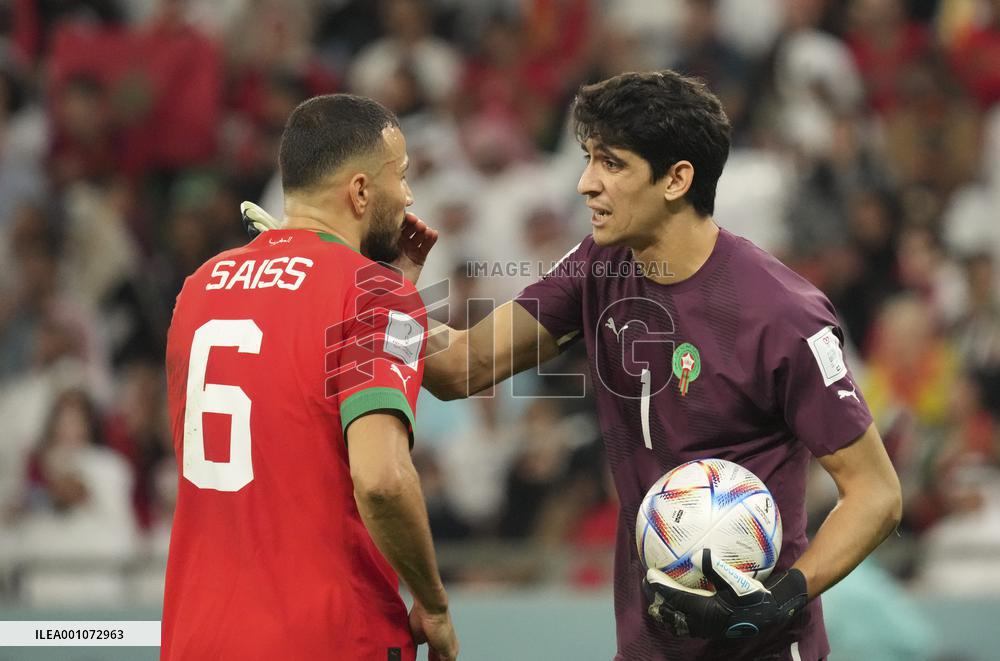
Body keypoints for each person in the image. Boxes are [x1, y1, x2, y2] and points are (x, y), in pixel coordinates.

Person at [418, 70, 902, 660]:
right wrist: (363, 285)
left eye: (611, 164)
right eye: (589, 159)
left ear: (677, 179)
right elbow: (461, 367)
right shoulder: (599, 264)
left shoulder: (783, 315)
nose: (584, 184)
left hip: (762, 649)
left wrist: (777, 599)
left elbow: (876, 494)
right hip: (647, 647)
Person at [163, 94, 458, 660]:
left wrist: (388, 293)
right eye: (400, 175)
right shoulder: (375, 293)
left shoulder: (198, 288)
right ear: (360, 191)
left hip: (194, 633)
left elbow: (281, 396)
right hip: (327, 635)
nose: (409, 195)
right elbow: (382, 480)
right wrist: (434, 604)